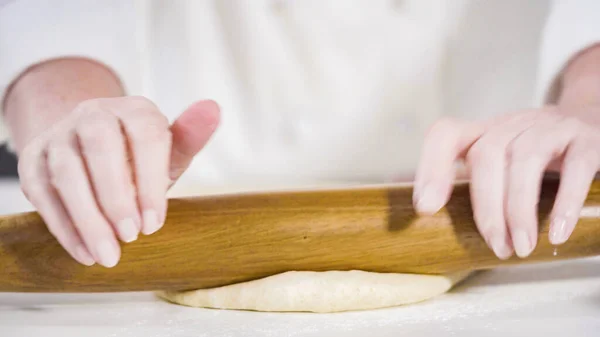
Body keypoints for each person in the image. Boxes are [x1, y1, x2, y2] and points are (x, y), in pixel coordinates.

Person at [1, 0, 599, 268]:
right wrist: (72, 118)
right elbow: (55, 13)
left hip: (510, 197)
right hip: (175, 208)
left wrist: (589, 110)